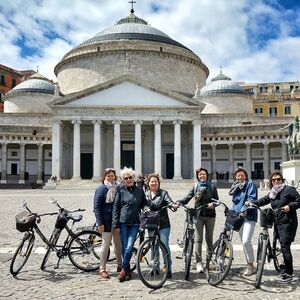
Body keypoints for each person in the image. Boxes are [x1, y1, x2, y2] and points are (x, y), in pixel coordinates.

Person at [248, 171, 300, 283]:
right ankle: (281, 265)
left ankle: (289, 273)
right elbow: (264, 200)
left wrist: (290, 206)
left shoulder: (289, 189)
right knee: (278, 245)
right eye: (273, 180)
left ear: (282, 180)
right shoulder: (273, 192)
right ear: (271, 182)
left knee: (285, 246)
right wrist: (252, 203)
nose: (276, 181)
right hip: (277, 222)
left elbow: (299, 200)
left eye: (278, 179)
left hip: (288, 222)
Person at [177, 167, 219, 273]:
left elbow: (217, 201)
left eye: (203, 174)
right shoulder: (196, 186)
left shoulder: (212, 186)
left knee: (209, 239)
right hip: (198, 215)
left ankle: (209, 261)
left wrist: (213, 204)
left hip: (210, 216)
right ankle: (199, 262)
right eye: (200, 174)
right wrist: (179, 202)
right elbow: (188, 197)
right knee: (198, 240)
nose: (202, 176)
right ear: (198, 176)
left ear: (206, 175)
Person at [112, 167, 148, 282]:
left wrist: (146, 208)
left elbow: (144, 203)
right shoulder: (120, 190)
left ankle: (123, 270)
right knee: (124, 247)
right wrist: (115, 223)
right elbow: (116, 207)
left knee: (128, 247)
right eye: (126, 178)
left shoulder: (139, 190)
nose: (128, 179)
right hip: (123, 222)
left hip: (135, 223)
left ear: (134, 178)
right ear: (123, 180)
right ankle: (127, 271)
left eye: (130, 177)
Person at [145, 173, 178, 278]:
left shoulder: (163, 193)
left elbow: (169, 201)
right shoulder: (146, 194)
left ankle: (168, 267)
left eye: (155, 181)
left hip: (163, 224)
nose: (153, 183)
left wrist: (173, 205)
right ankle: (155, 267)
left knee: (164, 245)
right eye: (152, 181)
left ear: (158, 183)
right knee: (153, 245)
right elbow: (143, 204)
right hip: (151, 223)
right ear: (148, 183)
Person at [93, 168, 122, 280]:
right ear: (104, 177)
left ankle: (120, 265)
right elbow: (96, 207)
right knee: (105, 246)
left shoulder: (118, 188)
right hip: (106, 222)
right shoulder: (101, 189)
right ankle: (102, 269)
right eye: (108, 176)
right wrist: (100, 223)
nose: (111, 177)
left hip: (117, 220)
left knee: (118, 244)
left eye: (112, 175)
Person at [229, 167, 257, 276]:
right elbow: (235, 203)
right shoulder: (235, 187)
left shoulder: (250, 184)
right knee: (243, 242)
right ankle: (249, 264)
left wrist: (244, 210)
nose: (240, 177)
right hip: (238, 217)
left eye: (242, 175)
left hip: (249, 216)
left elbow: (251, 198)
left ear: (245, 175)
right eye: (238, 175)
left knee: (246, 241)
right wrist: (231, 212)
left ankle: (251, 265)